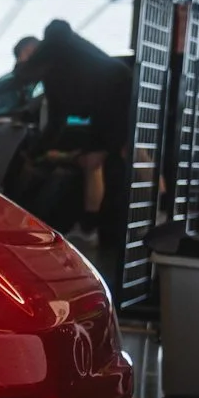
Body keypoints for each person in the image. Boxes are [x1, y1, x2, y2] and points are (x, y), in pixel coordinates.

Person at [13, 20, 132, 248]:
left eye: (24, 55)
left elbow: (56, 116)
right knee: (133, 152)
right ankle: (164, 208)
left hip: (113, 97)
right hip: (117, 92)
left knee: (93, 161)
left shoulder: (55, 44)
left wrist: (37, 152)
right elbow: (58, 118)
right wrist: (41, 150)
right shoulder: (61, 68)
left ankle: (88, 229)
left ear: (32, 50)